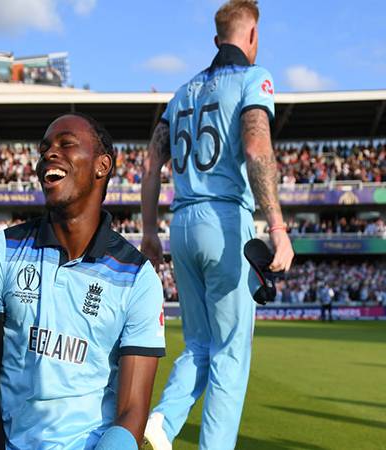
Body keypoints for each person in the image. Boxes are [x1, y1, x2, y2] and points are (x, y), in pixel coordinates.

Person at [140, 1, 294, 448]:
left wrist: (149, 232)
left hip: (182, 224)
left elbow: (152, 166)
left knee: (199, 345)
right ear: (252, 37)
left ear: (216, 39)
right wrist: (278, 229)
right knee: (230, 354)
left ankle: (164, 421)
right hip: (226, 221)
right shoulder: (253, 77)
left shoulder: (182, 92)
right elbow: (256, 149)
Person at [0, 113, 166, 450]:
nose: (49, 155)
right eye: (44, 149)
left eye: (66, 144)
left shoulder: (138, 278)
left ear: (102, 166)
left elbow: (132, 410)